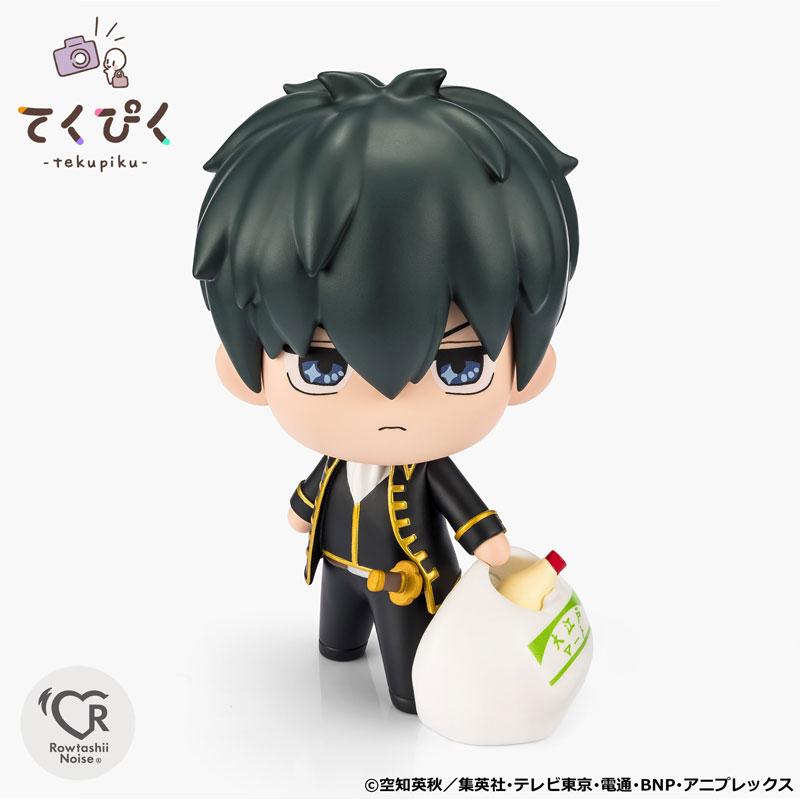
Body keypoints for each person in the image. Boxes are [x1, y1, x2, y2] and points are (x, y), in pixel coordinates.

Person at [192, 68, 579, 714]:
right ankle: (340, 645)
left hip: (408, 586)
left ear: (528, 372)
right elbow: (318, 489)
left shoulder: (427, 472)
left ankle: (407, 687)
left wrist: (490, 547)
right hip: (337, 570)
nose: (391, 402)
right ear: (244, 369)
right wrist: (301, 510)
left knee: (409, 671)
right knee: (337, 638)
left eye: (459, 366)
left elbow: (463, 510)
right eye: (322, 367)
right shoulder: (336, 462)